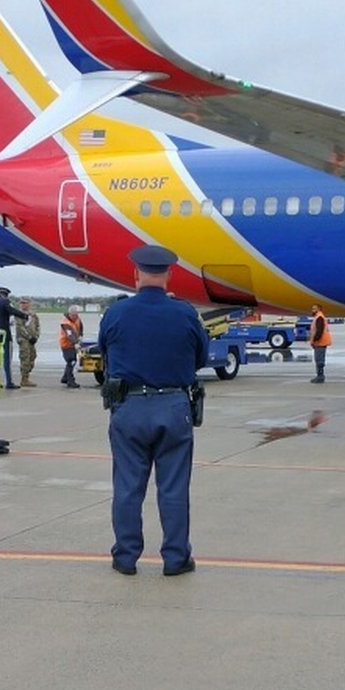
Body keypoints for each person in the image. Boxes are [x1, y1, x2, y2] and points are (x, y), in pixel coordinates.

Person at [98, 245, 210, 576]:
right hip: (174, 406)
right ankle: (176, 558)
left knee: (127, 487)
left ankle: (126, 556)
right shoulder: (185, 312)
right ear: (168, 275)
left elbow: (104, 350)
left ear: (135, 274)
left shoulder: (116, 313)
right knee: (173, 488)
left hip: (129, 407)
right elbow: (200, 358)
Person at [0, 287, 27, 388]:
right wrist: (24, 316)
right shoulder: (5, 302)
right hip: (3, 334)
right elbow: (12, 310)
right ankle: (9, 381)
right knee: (7, 359)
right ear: (6, 295)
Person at [15, 297, 40, 386]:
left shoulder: (33, 315)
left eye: (25, 303)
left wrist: (36, 336)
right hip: (24, 340)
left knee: (32, 357)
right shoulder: (19, 314)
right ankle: (24, 378)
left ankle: (27, 375)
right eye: (22, 303)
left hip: (32, 340)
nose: (23, 305)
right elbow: (20, 327)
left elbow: (37, 326)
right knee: (25, 358)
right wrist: (29, 337)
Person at [59, 304, 84, 387]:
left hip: (73, 344)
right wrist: (75, 343)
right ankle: (70, 381)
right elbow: (70, 334)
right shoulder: (65, 323)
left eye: (76, 315)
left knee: (72, 361)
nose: (75, 317)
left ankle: (65, 378)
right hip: (66, 345)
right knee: (71, 361)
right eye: (73, 315)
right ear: (69, 314)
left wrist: (80, 335)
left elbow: (80, 327)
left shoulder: (77, 319)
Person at [308, 303, 332, 383]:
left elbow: (319, 331)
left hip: (320, 342)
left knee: (319, 360)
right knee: (319, 359)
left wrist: (315, 340)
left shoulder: (319, 318)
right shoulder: (318, 317)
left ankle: (320, 376)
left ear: (319, 309)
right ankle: (319, 376)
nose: (312, 310)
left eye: (314, 309)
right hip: (320, 341)